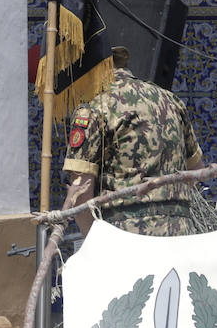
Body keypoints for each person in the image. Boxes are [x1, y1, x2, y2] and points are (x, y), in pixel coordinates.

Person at [62, 46, 202, 237]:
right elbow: (195, 172)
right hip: (180, 235)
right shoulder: (170, 100)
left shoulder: (94, 108)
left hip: (127, 240)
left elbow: (81, 193)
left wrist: (91, 242)